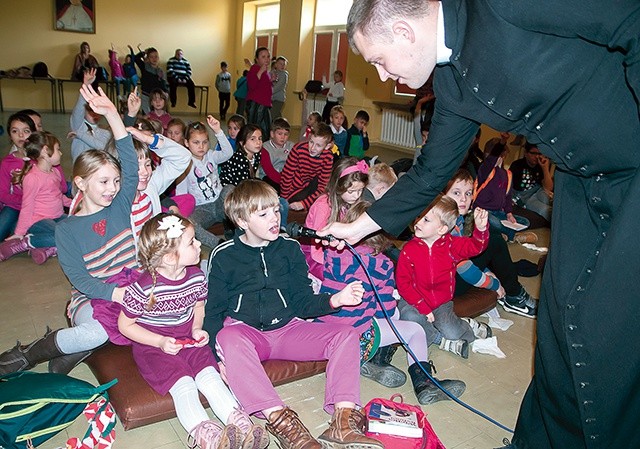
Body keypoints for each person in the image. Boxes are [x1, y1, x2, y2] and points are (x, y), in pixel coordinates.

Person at [322, 2, 640, 447]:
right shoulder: (451, 80)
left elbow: (628, 17)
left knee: (608, 327)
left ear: (403, 31)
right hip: (579, 180)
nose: (379, 76)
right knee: (558, 321)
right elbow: (432, 170)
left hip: (632, 173)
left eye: (377, 60)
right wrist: (359, 227)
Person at [203, 179, 384, 449]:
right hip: (247, 334)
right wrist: (214, 360)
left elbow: (302, 302)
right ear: (241, 220)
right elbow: (213, 312)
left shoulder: (289, 248)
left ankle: (344, 421)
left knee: (346, 335)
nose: (275, 218)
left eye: (276, 210)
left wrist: (335, 300)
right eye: (263, 214)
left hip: (288, 329)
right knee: (229, 337)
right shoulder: (223, 255)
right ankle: (285, 425)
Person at [0, 85, 140, 377]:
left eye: (115, 181)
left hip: (130, 289)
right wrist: (116, 295)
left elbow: (130, 162)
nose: (113, 189)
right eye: (103, 182)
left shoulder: (120, 206)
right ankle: (30, 353)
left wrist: (115, 114)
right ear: (81, 183)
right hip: (93, 296)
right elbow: (80, 280)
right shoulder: (67, 229)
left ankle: (73, 352)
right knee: (98, 332)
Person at [116, 213, 268, 449]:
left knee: (210, 377)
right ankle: (207, 434)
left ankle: (238, 422)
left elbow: (199, 306)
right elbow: (125, 325)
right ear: (168, 257)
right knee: (184, 384)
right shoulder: (144, 289)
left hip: (188, 338)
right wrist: (159, 341)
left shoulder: (196, 277)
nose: (199, 244)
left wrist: (197, 328)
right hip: (154, 348)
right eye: (191, 242)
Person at [317, 201, 466, 404]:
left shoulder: (331, 253)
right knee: (412, 329)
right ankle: (424, 383)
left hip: (324, 335)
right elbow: (384, 310)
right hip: (355, 341)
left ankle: (375, 362)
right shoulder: (382, 265)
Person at [396, 196, 491, 359]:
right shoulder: (409, 249)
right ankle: (440, 340)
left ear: (442, 229)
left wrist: (481, 230)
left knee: (453, 331)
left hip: (441, 303)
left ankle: (466, 325)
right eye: (419, 216)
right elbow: (403, 283)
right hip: (413, 300)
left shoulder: (452, 246)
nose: (417, 222)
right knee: (410, 318)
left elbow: (476, 247)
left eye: (426, 220)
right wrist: (422, 307)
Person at [445, 169, 537, 318]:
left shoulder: (454, 219)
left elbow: (465, 254)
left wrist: (486, 270)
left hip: (448, 277)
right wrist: (493, 284)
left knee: (490, 239)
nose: (463, 199)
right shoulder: (448, 228)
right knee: (494, 241)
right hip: (446, 286)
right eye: (456, 193)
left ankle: (513, 291)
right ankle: (514, 296)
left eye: (468, 193)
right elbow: (464, 268)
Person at [0, 132, 71, 264]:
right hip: (38, 220)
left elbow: (58, 196)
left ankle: (47, 248)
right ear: (45, 150)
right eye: (57, 149)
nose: (60, 153)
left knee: (79, 229)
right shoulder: (33, 178)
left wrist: (75, 203)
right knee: (64, 236)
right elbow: (27, 206)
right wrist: (19, 232)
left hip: (57, 216)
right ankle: (26, 242)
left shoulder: (54, 172)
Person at [303, 157, 368, 280]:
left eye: (360, 190)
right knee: (340, 278)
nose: (357, 195)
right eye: (352, 191)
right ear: (338, 187)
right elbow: (316, 249)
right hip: (316, 252)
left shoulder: (350, 201)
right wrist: (331, 265)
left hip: (336, 247)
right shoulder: (323, 206)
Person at [175, 118, 233, 249]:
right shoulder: (185, 164)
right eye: (196, 142)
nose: (201, 147)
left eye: (204, 142)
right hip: (202, 208)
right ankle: (219, 244)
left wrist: (218, 131)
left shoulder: (212, 155)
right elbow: (181, 193)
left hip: (220, 203)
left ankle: (231, 226)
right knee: (190, 224)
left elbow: (228, 153)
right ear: (186, 143)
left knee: (230, 188)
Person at [474, 143, 530, 241]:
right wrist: (503, 141)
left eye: (501, 156)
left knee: (525, 222)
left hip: (498, 212)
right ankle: (510, 235)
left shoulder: (507, 174)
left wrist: (509, 213)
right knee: (492, 221)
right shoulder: (485, 170)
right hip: (482, 211)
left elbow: (508, 197)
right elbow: (490, 161)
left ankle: (501, 232)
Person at [280, 123, 335, 211]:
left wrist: (304, 203)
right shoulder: (298, 149)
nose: (312, 148)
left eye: (318, 145)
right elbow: (287, 176)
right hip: (293, 189)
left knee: (327, 196)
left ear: (327, 146)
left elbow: (322, 186)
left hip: (309, 187)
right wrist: (284, 200)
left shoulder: (328, 157)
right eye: (311, 142)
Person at [0, 113, 37, 241]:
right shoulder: (7, 162)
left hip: (38, 207)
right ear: (10, 135)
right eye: (15, 131)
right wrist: (23, 201)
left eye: (26, 131)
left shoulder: (41, 159)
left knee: (24, 233)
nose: (21, 135)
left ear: (34, 133)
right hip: (14, 207)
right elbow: (3, 193)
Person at [69, 69, 112, 162]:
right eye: (90, 112)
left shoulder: (105, 132)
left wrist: (79, 135)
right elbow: (79, 108)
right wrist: (86, 86)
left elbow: (102, 147)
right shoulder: (78, 126)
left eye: (98, 112)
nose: (95, 115)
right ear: (85, 110)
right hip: (79, 171)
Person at [509, 143, 554, 222]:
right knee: (546, 210)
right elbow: (509, 184)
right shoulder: (517, 165)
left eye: (539, 154)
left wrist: (545, 169)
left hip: (538, 192)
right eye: (533, 153)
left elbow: (549, 188)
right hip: (525, 197)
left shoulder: (540, 166)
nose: (536, 157)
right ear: (526, 153)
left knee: (549, 201)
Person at [258, 117, 294, 192]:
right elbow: (269, 171)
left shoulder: (291, 146)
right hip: (269, 177)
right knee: (272, 189)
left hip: (286, 177)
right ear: (272, 134)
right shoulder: (265, 148)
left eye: (286, 134)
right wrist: (284, 183)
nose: (283, 137)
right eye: (280, 134)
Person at [245, 47, 273, 138]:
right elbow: (252, 85)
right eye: (263, 57)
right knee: (255, 129)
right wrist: (260, 72)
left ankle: (262, 149)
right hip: (256, 103)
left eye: (268, 56)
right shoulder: (255, 68)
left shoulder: (265, 71)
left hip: (264, 104)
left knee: (266, 128)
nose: (267, 59)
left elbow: (262, 86)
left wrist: (271, 79)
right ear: (257, 59)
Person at [134, 45, 169, 114]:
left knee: (159, 115)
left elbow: (164, 85)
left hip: (157, 98)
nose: (154, 59)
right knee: (147, 116)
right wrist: (144, 52)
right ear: (148, 58)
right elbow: (136, 58)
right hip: (146, 96)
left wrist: (166, 93)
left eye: (156, 56)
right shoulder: (144, 67)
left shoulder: (160, 71)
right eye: (151, 57)